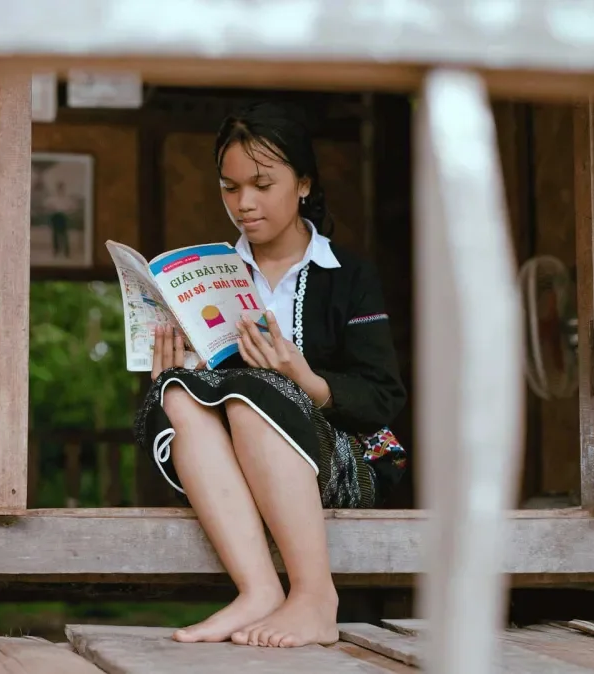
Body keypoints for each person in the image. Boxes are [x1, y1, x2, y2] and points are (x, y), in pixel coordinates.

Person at [133, 101, 407, 649]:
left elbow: (382, 398)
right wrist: (176, 371)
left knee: (254, 394)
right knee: (180, 394)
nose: (245, 203)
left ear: (303, 183)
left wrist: (305, 379)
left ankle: (313, 596)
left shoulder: (348, 277)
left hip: (343, 457)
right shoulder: (210, 278)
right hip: (239, 460)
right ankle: (258, 590)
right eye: (230, 188)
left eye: (262, 183)